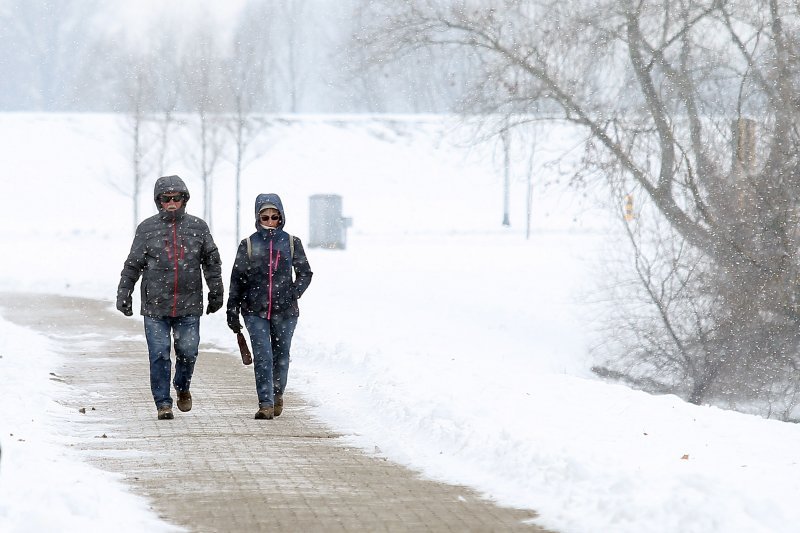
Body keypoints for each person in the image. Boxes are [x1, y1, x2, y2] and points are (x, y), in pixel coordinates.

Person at [116, 175, 224, 420]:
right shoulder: (147, 229)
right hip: (155, 306)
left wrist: (216, 291)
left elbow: (211, 261)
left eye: (177, 198)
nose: (172, 203)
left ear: (185, 200)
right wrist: (125, 292)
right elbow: (133, 264)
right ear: (159, 202)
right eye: (167, 199)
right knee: (160, 354)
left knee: (188, 351)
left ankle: (182, 386)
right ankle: (163, 403)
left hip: (189, 303)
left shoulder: (198, 227)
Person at [226, 193, 313, 420]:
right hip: (255, 311)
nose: (270, 221)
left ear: (281, 217)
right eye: (265, 217)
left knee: (281, 355)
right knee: (263, 356)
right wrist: (232, 309)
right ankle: (265, 402)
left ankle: (277, 393)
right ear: (257, 218)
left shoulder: (292, 243)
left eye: (275, 216)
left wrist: (294, 292)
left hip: (286, 312)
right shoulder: (248, 244)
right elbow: (237, 279)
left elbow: (305, 272)